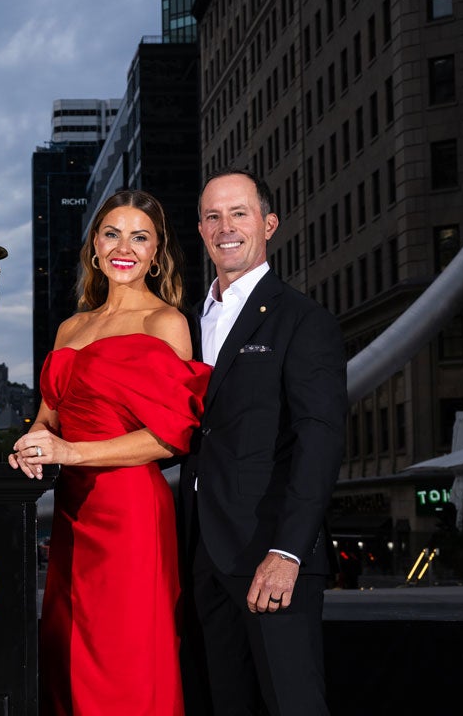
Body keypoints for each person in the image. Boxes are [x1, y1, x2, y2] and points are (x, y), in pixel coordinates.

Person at [10, 190, 211, 715]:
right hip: (74, 515)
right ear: (95, 248)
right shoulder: (70, 328)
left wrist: (70, 453)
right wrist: (30, 446)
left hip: (130, 513)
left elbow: (170, 437)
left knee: (128, 657)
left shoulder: (165, 323)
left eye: (140, 236)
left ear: (156, 252)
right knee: (66, 650)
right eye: (113, 234)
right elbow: (49, 416)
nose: (125, 247)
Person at [179, 169, 347, 716]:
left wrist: (288, 551)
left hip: (272, 557)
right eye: (212, 216)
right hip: (203, 556)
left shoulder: (303, 320)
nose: (225, 227)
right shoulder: (185, 324)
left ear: (268, 224)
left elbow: (319, 442)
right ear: (201, 230)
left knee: (294, 705)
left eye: (239, 213)